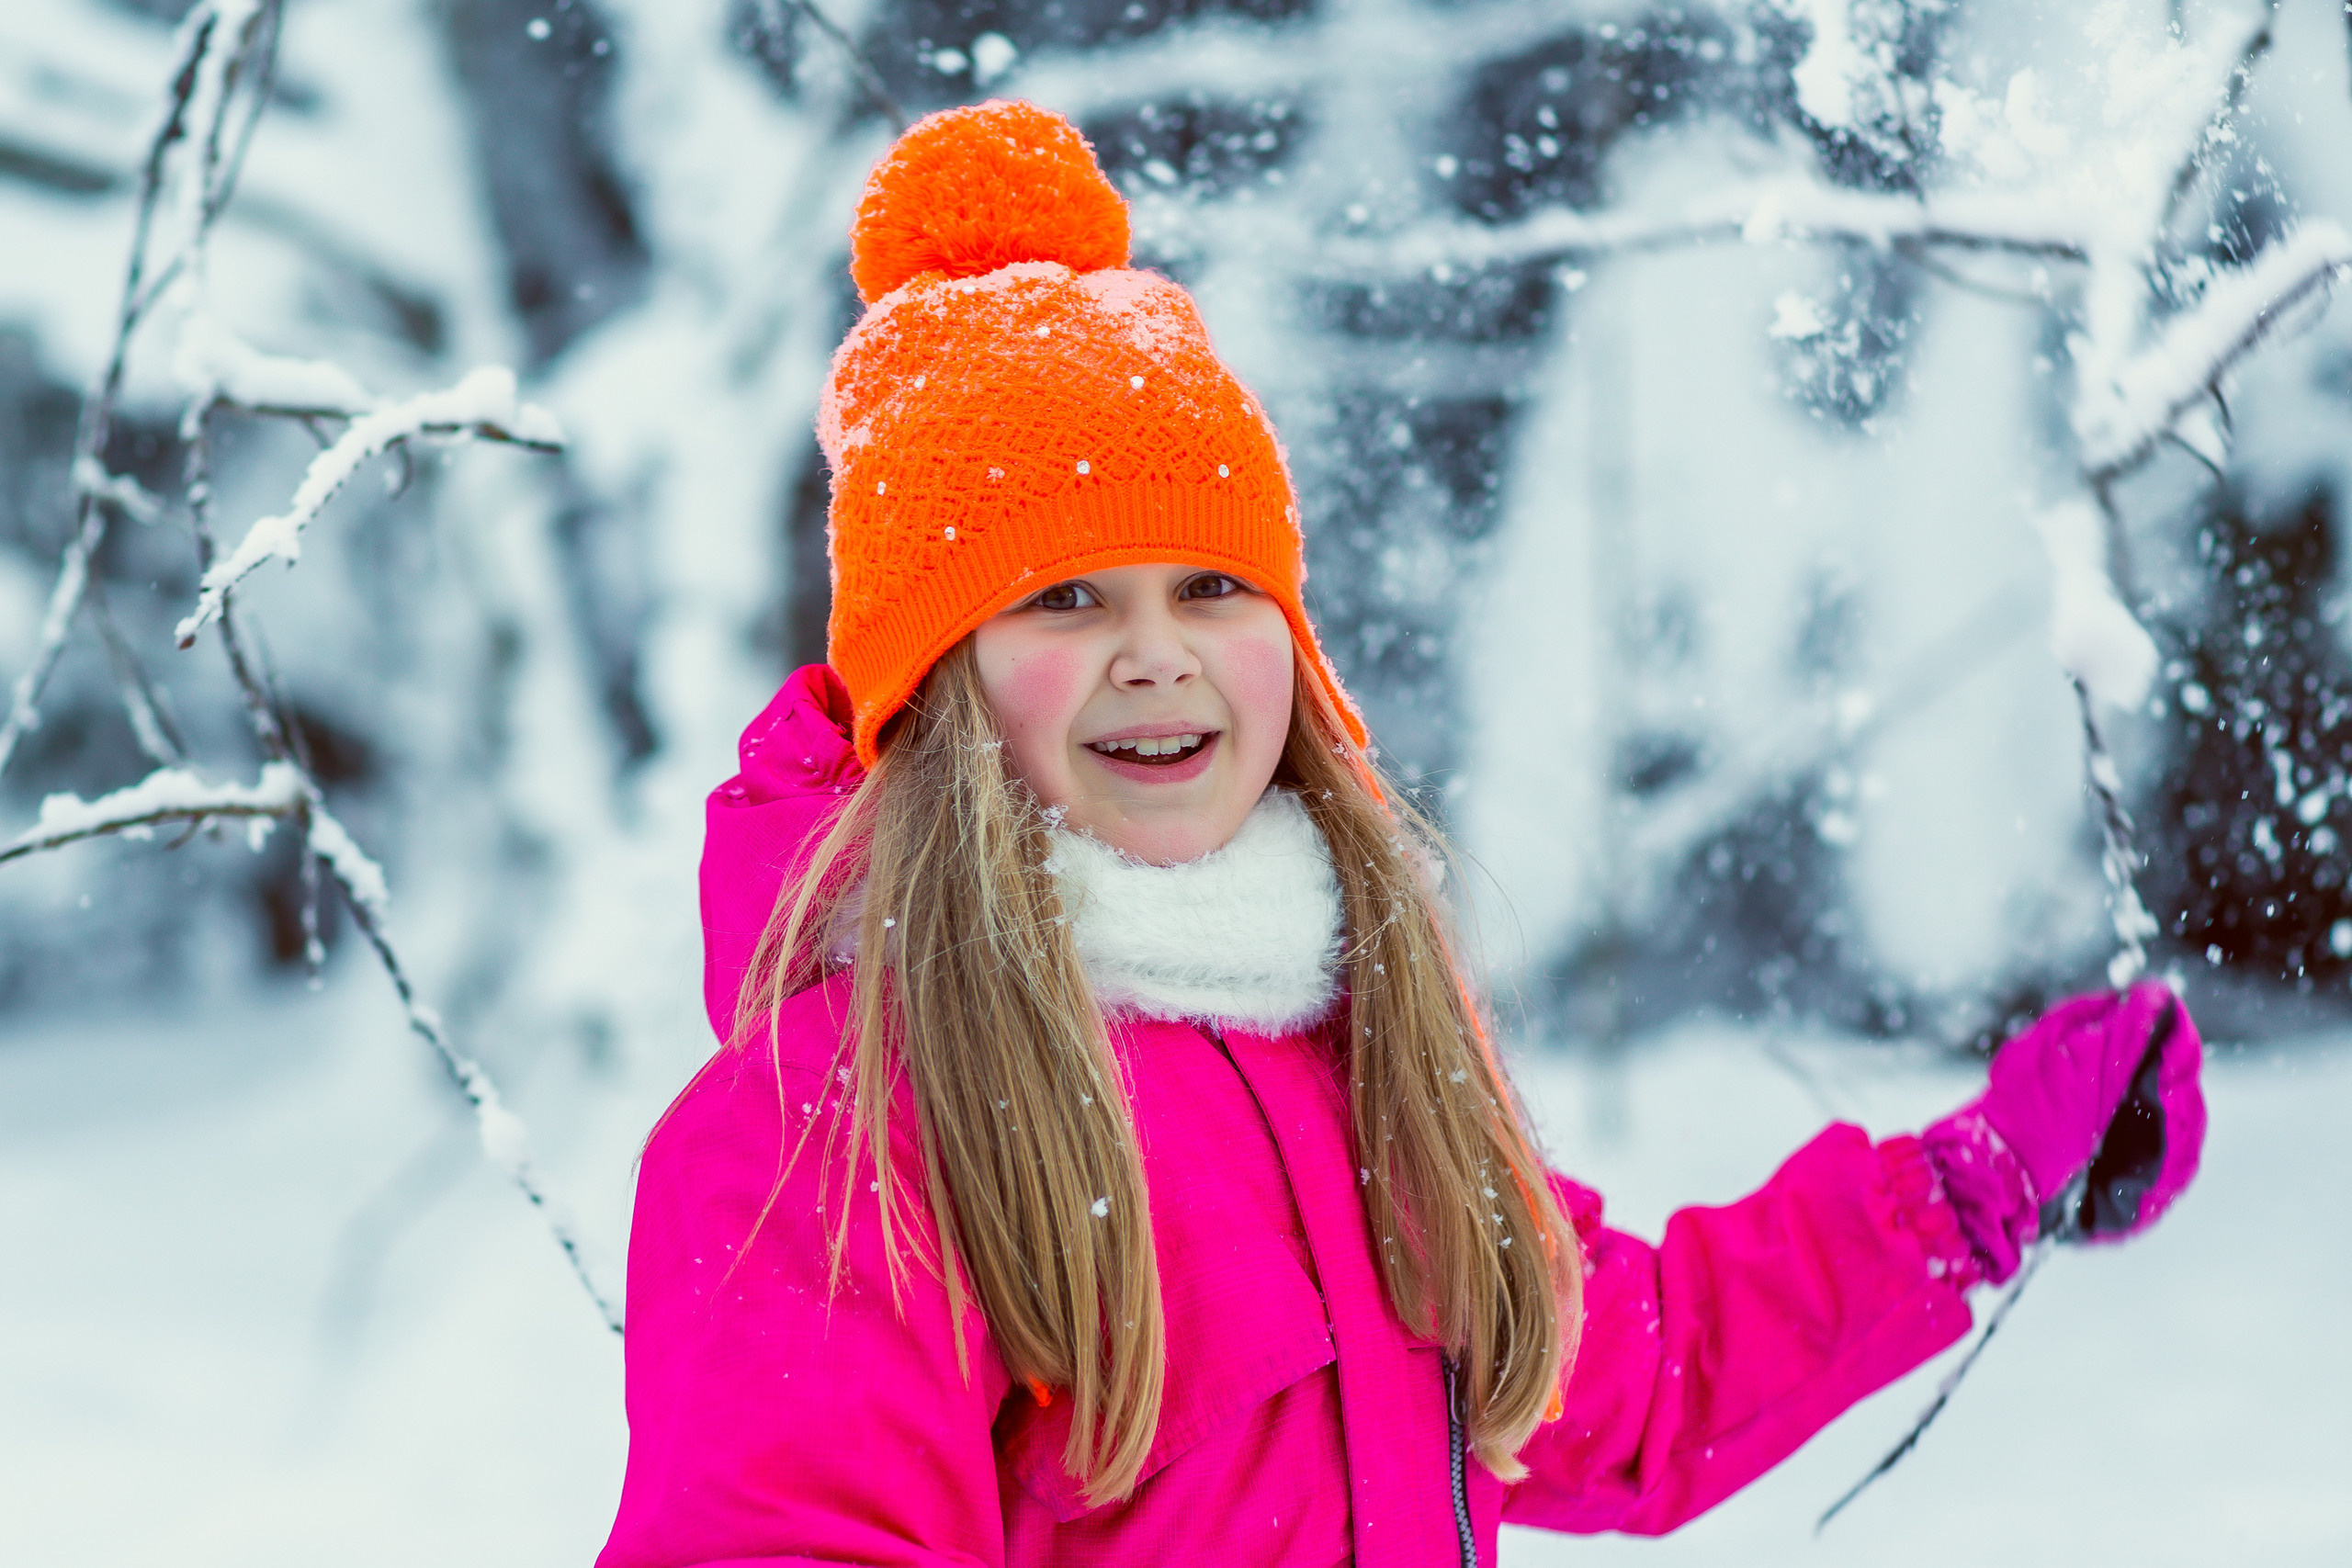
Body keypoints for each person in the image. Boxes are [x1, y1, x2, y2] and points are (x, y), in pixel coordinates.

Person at [595, 100, 2206, 1568]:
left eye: (1212, 586)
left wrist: (1970, 1186)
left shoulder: (1343, 1047)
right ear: (936, 695)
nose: (1155, 651)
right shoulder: (833, 1133)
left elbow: (1622, 1369)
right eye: (1066, 598)